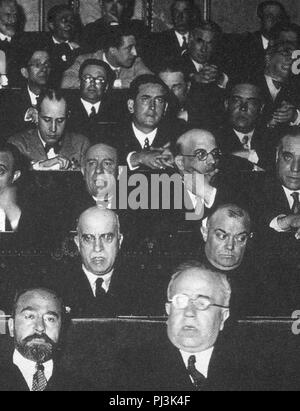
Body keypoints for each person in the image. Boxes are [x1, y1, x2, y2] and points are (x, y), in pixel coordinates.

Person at [117, 261, 273, 391]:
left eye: (202, 303)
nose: (189, 312)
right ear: (168, 311)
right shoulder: (130, 370)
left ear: (223, 317)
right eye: (180, 301)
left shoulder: (256, 373)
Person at [52, 207, 147, 318]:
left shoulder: (143, 289)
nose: (97, 248)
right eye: (88, 238)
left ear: (119, 241)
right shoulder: (55, 288)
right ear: (78, 243)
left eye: (107, 237)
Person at [0, 287, 90, 391]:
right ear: (11, 326)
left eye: (50, 319)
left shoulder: (81, 385)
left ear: (62, 328)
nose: (40, 327)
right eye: (30, 316)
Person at [113, 74, 184, 170]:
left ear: (165, 107)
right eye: (145, 99)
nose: (152, 107)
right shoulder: (113, 133)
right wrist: (136, 158)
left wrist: (178, 163)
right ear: (131, 105)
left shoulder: (180, 134)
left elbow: (194, 180)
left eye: (159, 100)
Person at [8, 89, 90, 171]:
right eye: (47, 120)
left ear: (68, 117)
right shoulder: (18, 145)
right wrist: (39, 166)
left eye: (60, 120)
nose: (53, 129)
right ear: (36, 115)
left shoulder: (81, 145)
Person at [62, 25, 151, 89]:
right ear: (112, 50)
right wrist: (102, 84)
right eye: (129, 48)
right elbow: (66, 82)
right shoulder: (85, 60)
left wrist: (114, 84)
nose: (135, 53)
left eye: (134, 47)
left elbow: (149, 81)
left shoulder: (136, 62)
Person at [216, 82, 275, 170]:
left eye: (251, 102)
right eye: (237, 100)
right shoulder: (213, 137)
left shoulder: (272, 139)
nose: (243, 108)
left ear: (261, 108)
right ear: (226, 104)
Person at [0, 44, 51, 138]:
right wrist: (27, 115)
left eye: (47, 64)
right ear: (25, 72)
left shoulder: (57, 98)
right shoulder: (9, 100)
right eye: (37, 65)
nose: (44, 69)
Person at [249, 40, 300, 129]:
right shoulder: (249, 83)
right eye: (285, 53)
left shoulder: (295, 91)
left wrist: (294, 116)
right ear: (268, 57)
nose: (291, 59)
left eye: (296, 57)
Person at [66, 59, 121, 142]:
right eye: (87, 78)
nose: (92, 83)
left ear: (106, 86)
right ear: (79, 83)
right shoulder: (66, 106)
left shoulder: (117, 111)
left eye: (99, 79)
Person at [239, 1, 289, 79]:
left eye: (279, 17)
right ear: (260, 20)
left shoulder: (291, 44)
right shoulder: (245, 44)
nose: (275, 21)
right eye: (269, 17)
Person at [145, 0, 200, 71]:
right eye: (176, 12)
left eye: (185, 12)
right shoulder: (158, 41)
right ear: (172, 15)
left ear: (192, 15)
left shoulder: (200, 40)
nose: (180, 17)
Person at [42, 5, 82, 87]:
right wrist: (67, 46)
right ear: (51, 25)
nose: (69, 25)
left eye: (72, 21)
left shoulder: (80, 47)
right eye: (64, 21)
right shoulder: (42, 46)